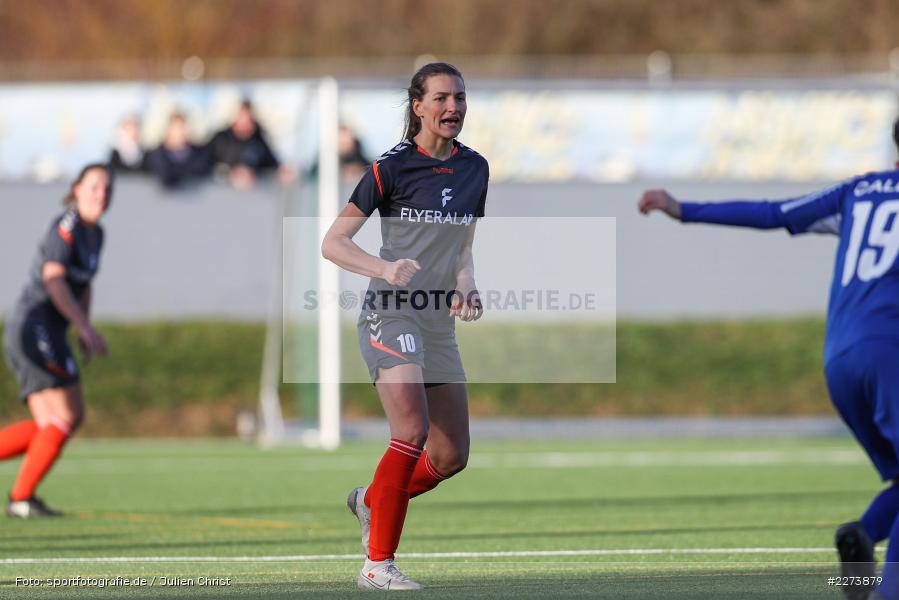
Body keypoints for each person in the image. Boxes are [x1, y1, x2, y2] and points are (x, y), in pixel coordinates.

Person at [638, 118, 899, 600]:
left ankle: (862, 539)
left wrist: (685, 209)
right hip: (890, 355)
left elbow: (774, 211)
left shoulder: (859, 192)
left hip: (840, 357)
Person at [321, 62, 488, 591]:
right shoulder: (389, 168)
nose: (453, 108)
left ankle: (372, 499)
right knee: (411, 432)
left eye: (459, 97)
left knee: (450, 454)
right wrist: (384, 268)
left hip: (437, 321)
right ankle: (377, 565)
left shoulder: (475, 169)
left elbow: (461, 245)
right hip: (390, 312)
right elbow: (333, 242)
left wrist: (466, 283)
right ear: (418, 106)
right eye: (441, 98)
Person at [1, 164, 111, 518]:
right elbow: (54, 280)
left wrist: (83, 325)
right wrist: (84, 327)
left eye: (108, 189)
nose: (101, 194)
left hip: (51, 330)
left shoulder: (97, 234)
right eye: (93, 186)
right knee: (60, 418)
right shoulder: (65, 228)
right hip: (34, 327)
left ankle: (21, 497)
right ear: (76, 189)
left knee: (68, 417)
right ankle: (21, 498)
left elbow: (86, 283)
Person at [207, 100, 294, 191]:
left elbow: (270, 163)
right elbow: (205, 163)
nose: (244, 122)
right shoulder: (221, 139)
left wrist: (282, 170)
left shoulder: (258, 140)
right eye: (241, 117)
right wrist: (230, 174)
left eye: (247, 118)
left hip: (252, 197)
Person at [147, 112, 213, 189]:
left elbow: (202, 169)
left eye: (183, 127)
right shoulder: (156, 154)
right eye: (178, 127)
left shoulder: (199, 153)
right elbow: (166, 175)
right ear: (169, 130)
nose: (181, 132)